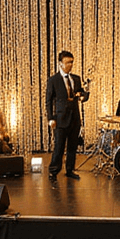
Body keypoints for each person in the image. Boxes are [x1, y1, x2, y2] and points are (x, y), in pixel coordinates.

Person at [45, 50, 88, 180]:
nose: (70, 65)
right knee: (59, 146)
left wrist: (84, 96)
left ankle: (70, 170)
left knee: (72, 146)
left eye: (72, 62)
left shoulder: (76, 78)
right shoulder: (54, 80)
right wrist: (51, 118)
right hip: (60, 118)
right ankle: (53, 171)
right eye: (68, 62)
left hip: (74, 118)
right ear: (60, 63)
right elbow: (48, 100)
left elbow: (81, 93)